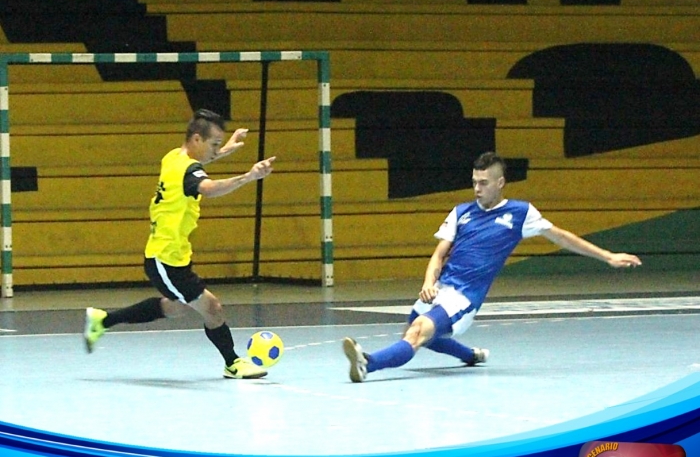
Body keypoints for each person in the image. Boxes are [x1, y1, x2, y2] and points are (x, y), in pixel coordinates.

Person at [342, 151, 642, 383]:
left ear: (500, 183)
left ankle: (368, 363)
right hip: (441, 289)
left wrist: (607, 256)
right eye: (474, 182)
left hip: (464, 298)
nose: (477, 188)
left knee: (417, 334)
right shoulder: (461, 213)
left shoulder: (521, 213)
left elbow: (561, 237)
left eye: (483, 183)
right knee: (419, 332)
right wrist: (428, 281)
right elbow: (438, 254)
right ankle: (471, 355)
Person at [84, 108, 276, 379]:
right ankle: (233, 363)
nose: (215, 150)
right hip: (166, 259)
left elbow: (200, 165)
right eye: (214, 144)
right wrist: (248, 177)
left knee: (174, 307)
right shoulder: (189, 172)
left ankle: (102, 321)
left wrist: (228, 148)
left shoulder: (174, 156)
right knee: (213, 308)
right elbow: (207, 188)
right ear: (197, 139)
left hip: (172, 254)